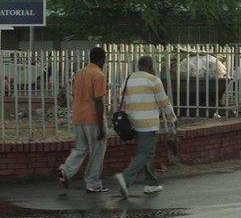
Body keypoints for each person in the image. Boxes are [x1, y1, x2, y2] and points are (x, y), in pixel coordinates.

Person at [115, 56, 178, 198]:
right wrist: (172, 117)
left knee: (145, 151)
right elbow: (164, 101)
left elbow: (123, 101)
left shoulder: (128, 79)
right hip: (147, 123)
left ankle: (151, 183)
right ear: (150, 66)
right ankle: (125, 178)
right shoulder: (153, 80)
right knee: (146, 153)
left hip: (132, 122)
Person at [56, 47, 109, 193]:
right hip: (92, 118)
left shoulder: (79, 73)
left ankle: (65, 171)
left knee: (80, 148)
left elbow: (74, 93)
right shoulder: (98, 75)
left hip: (78, 116)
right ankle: (93, 183)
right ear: (101, 60)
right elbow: (98, 100)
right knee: (97, 151)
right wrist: (100, 125)